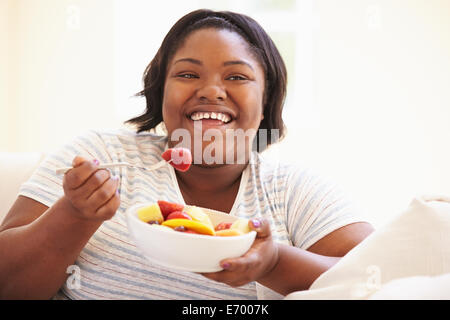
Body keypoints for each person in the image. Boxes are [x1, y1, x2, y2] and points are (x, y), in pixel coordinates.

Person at [0, 9, 374, 299]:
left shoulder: (293, 191)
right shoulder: (99, 154)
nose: (212, 91)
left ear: (266, 101)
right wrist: (73, 215)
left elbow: (376, 277)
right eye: (188, 75)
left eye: (237, 77)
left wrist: (274, 263)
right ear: (160, 91)